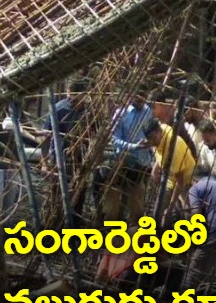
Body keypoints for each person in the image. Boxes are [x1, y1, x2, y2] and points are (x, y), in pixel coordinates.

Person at [98, 91, 154, 224]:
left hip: (143, 163)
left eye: (144, 97)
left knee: (138, 199)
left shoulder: (148, 112)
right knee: (115, 198)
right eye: (139, 96)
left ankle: (134, 231)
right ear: (133, 97)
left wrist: (149, 143)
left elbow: (152, 132)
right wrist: (133, 146)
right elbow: (114, 139)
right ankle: (112, 227)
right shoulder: (121, 113)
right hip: (123, 162)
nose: (142, 100)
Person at [41, 78, 90, 227]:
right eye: (69, 94)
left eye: (75, 94)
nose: (70, 98)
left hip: (81, 162)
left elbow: (95, 135)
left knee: (78, 198)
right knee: (56, 198)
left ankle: (73, 233)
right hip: (59, 162)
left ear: (84, 95)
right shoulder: (58, 109)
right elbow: (45, 138)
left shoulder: (90, 112)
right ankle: (52, 231)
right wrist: (44, 163)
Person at [143, 118, 196, 225]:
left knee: (188, 211)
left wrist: (170, 208)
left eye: (153, 138)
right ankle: (158, 235)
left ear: (159, 132)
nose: (152, 142)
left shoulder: (174, 149)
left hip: (185, 179)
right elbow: (161, 154)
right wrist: (155, 168)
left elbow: (179, 182)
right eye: (149, 139)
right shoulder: (161, 129)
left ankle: (191, 236)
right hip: (170, 177)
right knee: (159, 209)